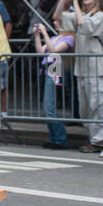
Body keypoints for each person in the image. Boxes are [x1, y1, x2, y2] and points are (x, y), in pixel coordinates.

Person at [57, 0, 103, 151]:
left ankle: (98, 141)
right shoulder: (81, 12)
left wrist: (75, 1)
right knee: (85, 108)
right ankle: (92, 138)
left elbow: (83, 24)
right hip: (82, 68)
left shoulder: (99, 16)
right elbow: (59, 18)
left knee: (97, 105)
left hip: (96, 67)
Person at [33, 17, 74, 148]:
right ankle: (54, 138)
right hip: (48, 68)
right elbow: (41, 51)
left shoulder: (69, 38)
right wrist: (37, 36)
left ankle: (60, 139)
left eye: (58, 21)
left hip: (56, 68)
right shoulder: (54, 38)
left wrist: (44, 33)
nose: (55, 23)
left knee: (49, 107)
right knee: (47, 107)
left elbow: (54, 51)